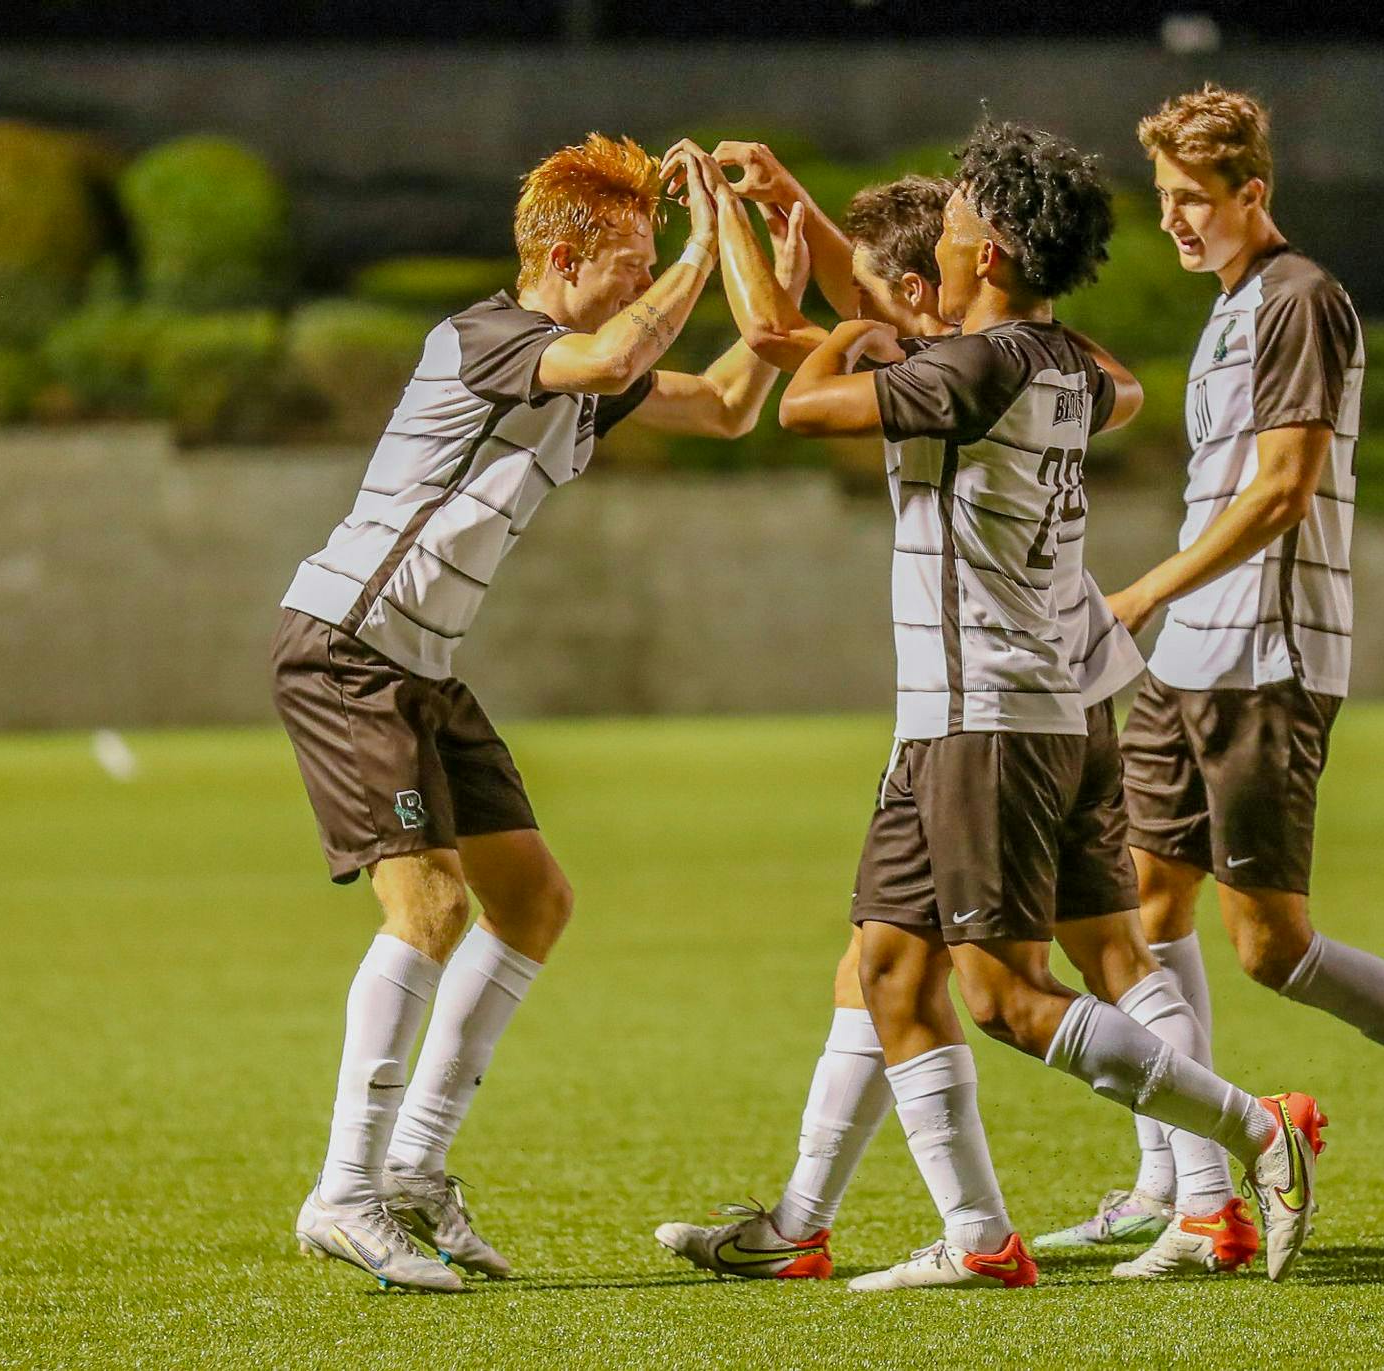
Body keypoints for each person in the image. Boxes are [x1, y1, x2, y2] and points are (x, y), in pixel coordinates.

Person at [726, 119, 1325, 1292]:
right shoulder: (1067, 364)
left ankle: (1259, 1133)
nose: (939, 250)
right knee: (894, 970)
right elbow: (1114, 385)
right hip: (1054, 700)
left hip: (984, 712)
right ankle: (982, 1240)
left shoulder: (971, 369)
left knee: (1002, 997)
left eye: (953, 230)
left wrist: (844, 331)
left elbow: (804, 408)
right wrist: (835, 253)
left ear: (988, 252)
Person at [273, 133, 805, 1291]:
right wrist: (708, 250)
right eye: (632, 259)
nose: (647, 276)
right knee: (429, 904)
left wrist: (771, 286)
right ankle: (345, 1191)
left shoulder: (578, 372)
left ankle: (412, 1172)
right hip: (348, 651)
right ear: (564, 259)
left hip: (420, 665)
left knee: (533, 899)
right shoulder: (488, 339)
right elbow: (617, 355)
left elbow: (720, 407)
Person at [1066, 84, 1384, 1243]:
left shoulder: (1299, 299)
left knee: (1270, 948)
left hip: (1267, 656)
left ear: (1257, 193)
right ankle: (1181, 1191)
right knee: (1142, 911)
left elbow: (1285, 489)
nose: (1177, 223)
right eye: (1165, 202)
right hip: (1191, 657)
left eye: (1196, 201)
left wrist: (1142, 589)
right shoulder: (1232, 302)